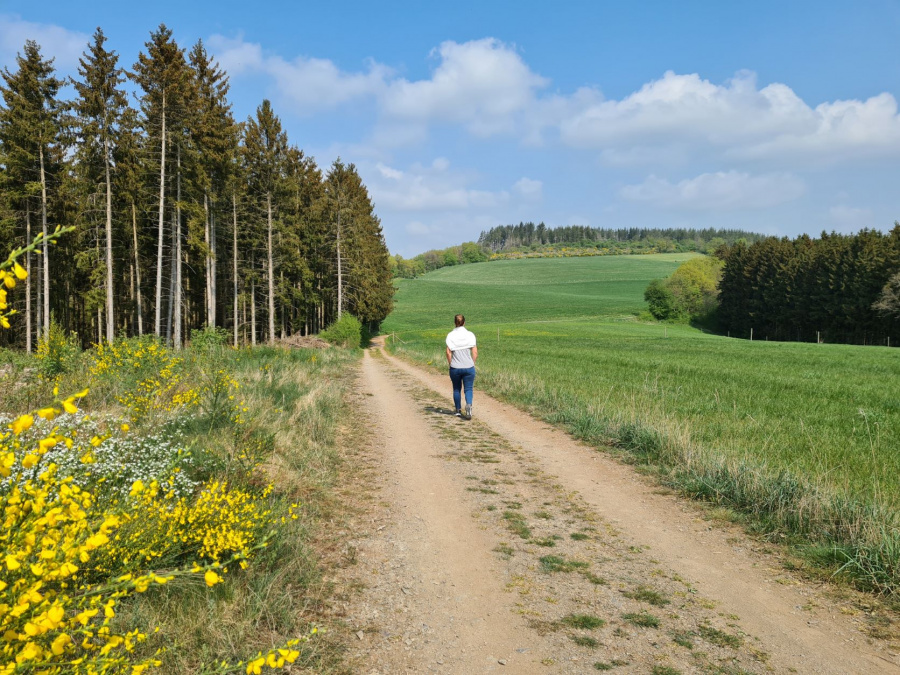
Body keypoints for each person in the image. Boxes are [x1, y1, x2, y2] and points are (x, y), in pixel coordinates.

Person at [446, 314, 478, 419]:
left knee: (456, 389)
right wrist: (472, 362)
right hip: (469, 366)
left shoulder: (450, 335)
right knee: (468, 388)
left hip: (455, 367)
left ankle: (458, 410)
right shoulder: (470, 335)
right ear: (464, 322)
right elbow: (475, 352)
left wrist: (451, 363)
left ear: (455, 323)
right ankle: (468, 405)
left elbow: (448, 352)